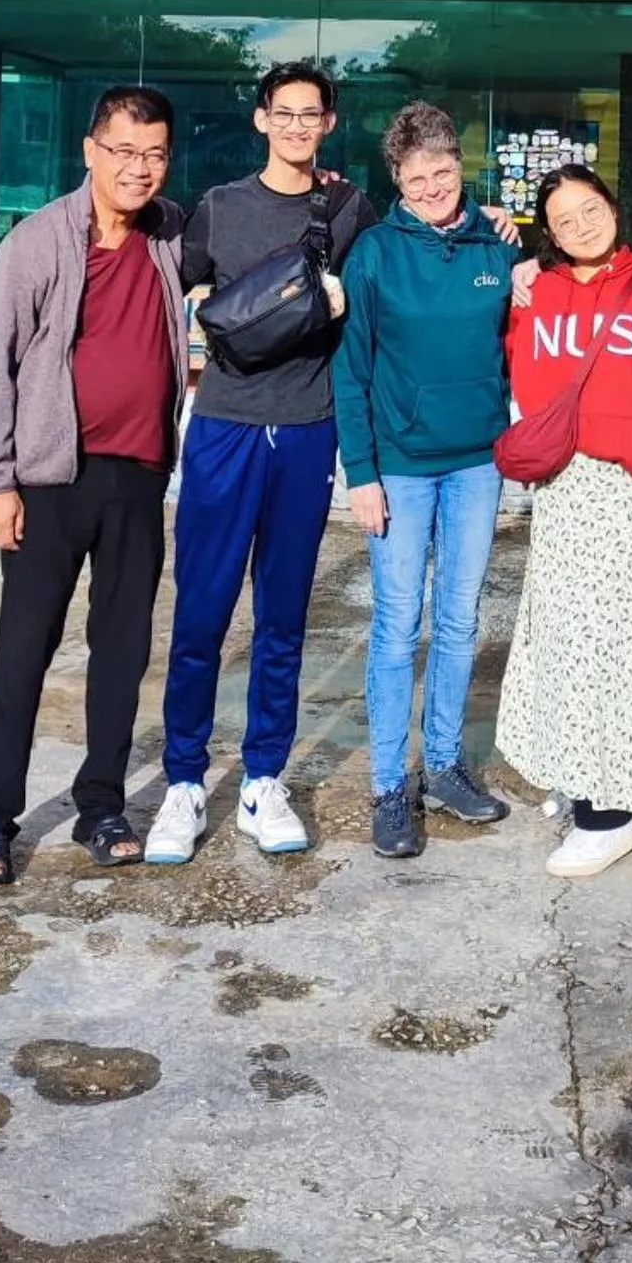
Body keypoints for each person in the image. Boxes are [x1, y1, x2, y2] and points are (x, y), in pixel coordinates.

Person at [146, 62, 378, 866]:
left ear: (328, 124)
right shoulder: (219, 206)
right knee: (202, 615)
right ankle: (182, 782)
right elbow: (158, 282)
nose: (297, 127)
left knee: (282, 618)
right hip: (224, 427)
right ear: (260, 119)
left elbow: (398, 274)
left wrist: (501, 242)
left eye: (310, 115)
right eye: (284, 113)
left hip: (307, 428)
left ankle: (263, 778)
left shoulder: (348, 207)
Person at [0, 86, 186, 888]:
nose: (140, 168)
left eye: (154, 153)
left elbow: (256, 227)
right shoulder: (33, 242)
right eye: (124, 151)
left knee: (122, 653)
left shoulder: (168, 234)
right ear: (90, 151)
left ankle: (101, 805)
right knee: (22, 653)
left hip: (137, 475)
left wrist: (325, 188)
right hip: (48, 482)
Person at [496, 166, 632, 880]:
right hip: (561, 488)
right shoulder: (537, 292)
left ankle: (610, 815)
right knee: (565, 640)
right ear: (546, 233)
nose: (581, 224)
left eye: (591, 208)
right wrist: (520, 271)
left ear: (615, 207)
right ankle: (582, 774)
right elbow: (520, 371)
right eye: (563, 218)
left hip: (628, 488)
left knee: (615, 645)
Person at [333, 101, 522, 860]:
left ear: (459, 166)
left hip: (478, 462)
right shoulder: (376, 252)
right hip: (401, 471)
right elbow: (351, 370)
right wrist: (362, 474)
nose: (434, 185)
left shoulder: (496, 244)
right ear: (398, 180)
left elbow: (526, 342)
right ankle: (387, 784)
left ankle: (442, 765)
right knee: (395, 624)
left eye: (444, 171)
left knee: (458, 619)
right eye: (417, 177)